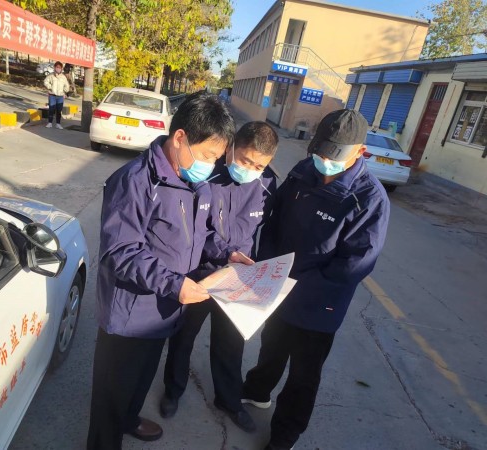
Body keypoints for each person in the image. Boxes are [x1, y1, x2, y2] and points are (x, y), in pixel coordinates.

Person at [87, 92, 250, 450]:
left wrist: (227, 253)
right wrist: (175, 285)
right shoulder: (135, 181)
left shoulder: (194, 181)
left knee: (142, 377)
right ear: (179, 138)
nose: (210, 164)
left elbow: (202, 232)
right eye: (207, 155)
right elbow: (121, 251)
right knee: (112, 393)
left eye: (216, 158)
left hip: (164, 309)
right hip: (130, 314)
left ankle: (129, 418)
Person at [241, 109, 390, 450]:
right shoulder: (303, 171)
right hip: (279, 285)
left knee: (304, 373)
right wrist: (267, 262)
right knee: (271, 347)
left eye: (334, 156)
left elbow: (357, 263)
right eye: (321, 153)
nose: (325, 162)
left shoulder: (370, 199)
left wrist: (301, 284)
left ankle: (286, 432)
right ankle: (256, 391)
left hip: (319, 302)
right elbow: (274, 218)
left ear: (360, 152)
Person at [160, 121, 279, 433]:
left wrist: (261, 269)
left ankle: (229, 400)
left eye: (258, 165)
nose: (249, 169)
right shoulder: (205, 173)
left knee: (231, 343)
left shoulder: (268, 183)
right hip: (199, 272)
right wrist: (225, 253)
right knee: (183, 336)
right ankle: (173, 390)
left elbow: (264, 231)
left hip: (239, 276)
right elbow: (195, 229)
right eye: (244, 160)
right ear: (231, 147)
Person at [43, 61, 69, 129]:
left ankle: (58, 123)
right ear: (54, 67)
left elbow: (67, 86)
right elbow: (45, 82)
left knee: (59, 110)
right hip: (52, 95)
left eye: (59, 67)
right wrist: (50, 87)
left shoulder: (63, 77)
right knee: (51, 109)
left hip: (60, 96)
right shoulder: (51, 75)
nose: (58, 68)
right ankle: (50, 123)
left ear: (61, 68)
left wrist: (64, 91)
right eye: (57, 67)